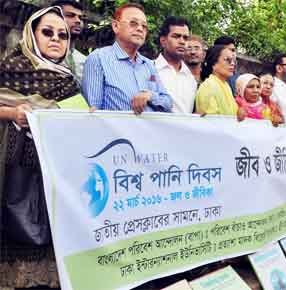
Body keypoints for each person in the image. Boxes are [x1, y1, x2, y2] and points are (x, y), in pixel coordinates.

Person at [0, 6, 80, 288]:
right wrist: (13, 113)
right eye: (47, 32)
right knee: (15, 219)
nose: (56, 39)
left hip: (54, 168)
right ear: (31, 35)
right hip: (12, 159)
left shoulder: (68, 80)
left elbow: (78, 120)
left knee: (49, 227)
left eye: (62, 34)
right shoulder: (12, 67)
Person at [82, 3, 172, 114]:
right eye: (133, 23)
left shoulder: (148, 64)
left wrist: (150, 95)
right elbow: (93, 111)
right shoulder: (98, 59)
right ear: (116, 26)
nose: (140, 29)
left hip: (151, 130)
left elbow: (168, 103)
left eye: (144, 26)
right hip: (115, 130)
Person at [155, 16, 196, 114]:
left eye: (185, 38)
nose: (182, 41)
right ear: (163, 41)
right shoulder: (150, 70)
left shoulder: (191, 78)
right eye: (176, 36)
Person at [195, 45, 240, 117]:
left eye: (233, 61)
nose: (232, 64)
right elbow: (211, 121)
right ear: (213, 64)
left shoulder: (226, 85)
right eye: (227, 60)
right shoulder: (208, 86)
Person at [51, 0, 86, 82]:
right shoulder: (37, 55)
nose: (78, 21)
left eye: (81, 18)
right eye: (70, 15)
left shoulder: (85, 61)